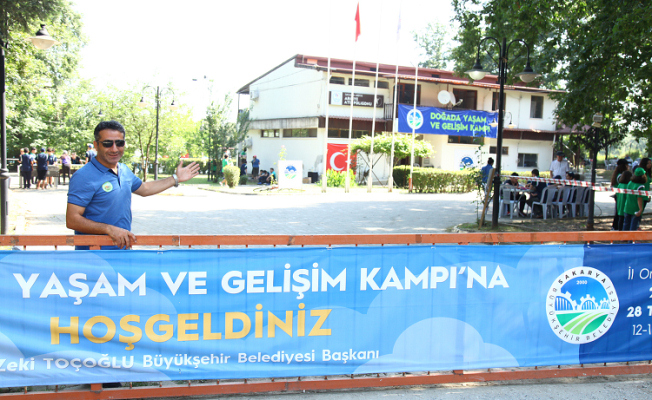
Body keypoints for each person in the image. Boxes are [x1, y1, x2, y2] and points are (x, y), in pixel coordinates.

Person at [66, 120, 200, 250]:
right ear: (96, 145)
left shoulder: (123, 170)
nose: (114, 149)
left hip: (122, 250)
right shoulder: (84, 176)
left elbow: (144, 189)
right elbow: (72, 219)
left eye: (119, 143)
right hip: (94, 255)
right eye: (107, 143)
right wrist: (108, 229)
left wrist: (175, 178)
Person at [610, 159, 629, 230]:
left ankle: (615, 227)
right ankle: (616, 227)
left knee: (618, 212)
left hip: (619, 195)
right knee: (619, 213)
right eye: (627, 165)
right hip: (621, 195)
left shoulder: (617, 174)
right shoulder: (621, 176)